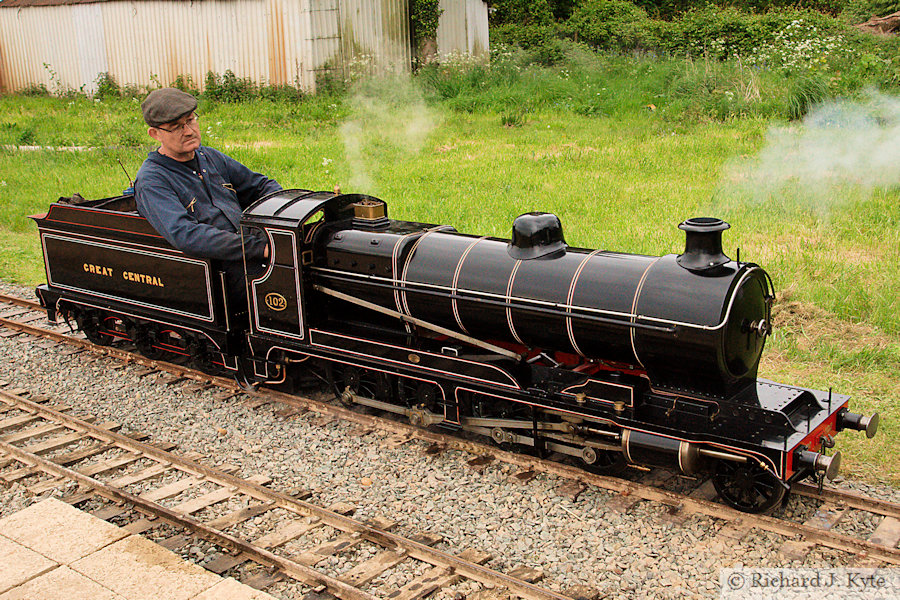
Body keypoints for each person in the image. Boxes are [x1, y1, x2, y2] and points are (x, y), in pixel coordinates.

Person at [134, 87, 282, 307]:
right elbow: (186, 235)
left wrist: (279, 221)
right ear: (155, 134)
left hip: (250, 250)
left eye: (190, 120)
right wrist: (258, 248)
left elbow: (262, 185)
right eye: (176, 127)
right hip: (218, 270)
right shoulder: (152, 180)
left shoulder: (209, 156)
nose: (188, 131)